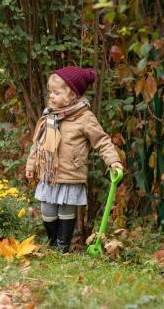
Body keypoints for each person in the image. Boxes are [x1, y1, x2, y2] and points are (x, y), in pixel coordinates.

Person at [25, 66, 123, 252]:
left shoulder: (85, 118)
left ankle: (62, 248)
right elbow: (38, 143)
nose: (51, 96)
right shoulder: (49, 116)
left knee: (65, 212)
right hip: (49, 174)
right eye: (50, 92)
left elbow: (102, 141)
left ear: (72, 96)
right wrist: (31, 165)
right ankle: (53, 243)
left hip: (71, 174)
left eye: (56, 92)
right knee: (47, 210)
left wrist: (113, 161)